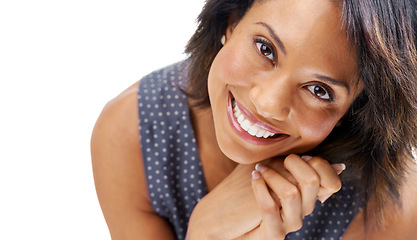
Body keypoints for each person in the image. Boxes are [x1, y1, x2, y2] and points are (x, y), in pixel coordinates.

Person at [91, 0, 417, 239]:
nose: (268, 103)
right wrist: (205, 234)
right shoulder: (131, 132)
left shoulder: (391, 206)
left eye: (319, 90)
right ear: (232, 23)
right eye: (265, 48)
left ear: (357, 110)